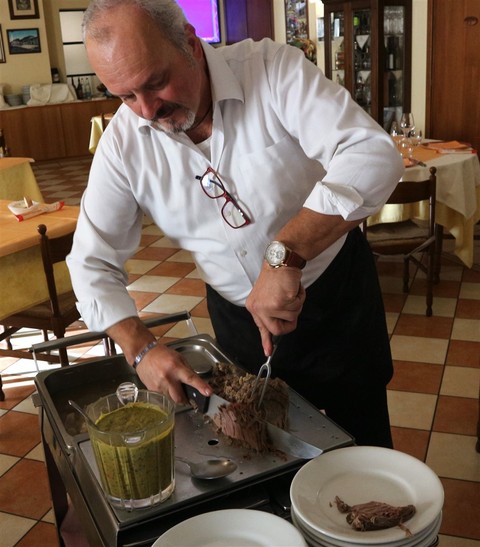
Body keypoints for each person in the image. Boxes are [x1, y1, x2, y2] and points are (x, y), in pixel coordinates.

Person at [68, 0, 404, 447]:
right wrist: (141, 347)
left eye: (156, 83)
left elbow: (373, 155)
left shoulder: (271, 70)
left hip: (335, 302)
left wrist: (285, 254)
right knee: (264, 454)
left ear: (189, 43)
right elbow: (91, 263)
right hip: (238, 323)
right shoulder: (124, 144)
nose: (146, 111)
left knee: (363, 451)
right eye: (126, 96)